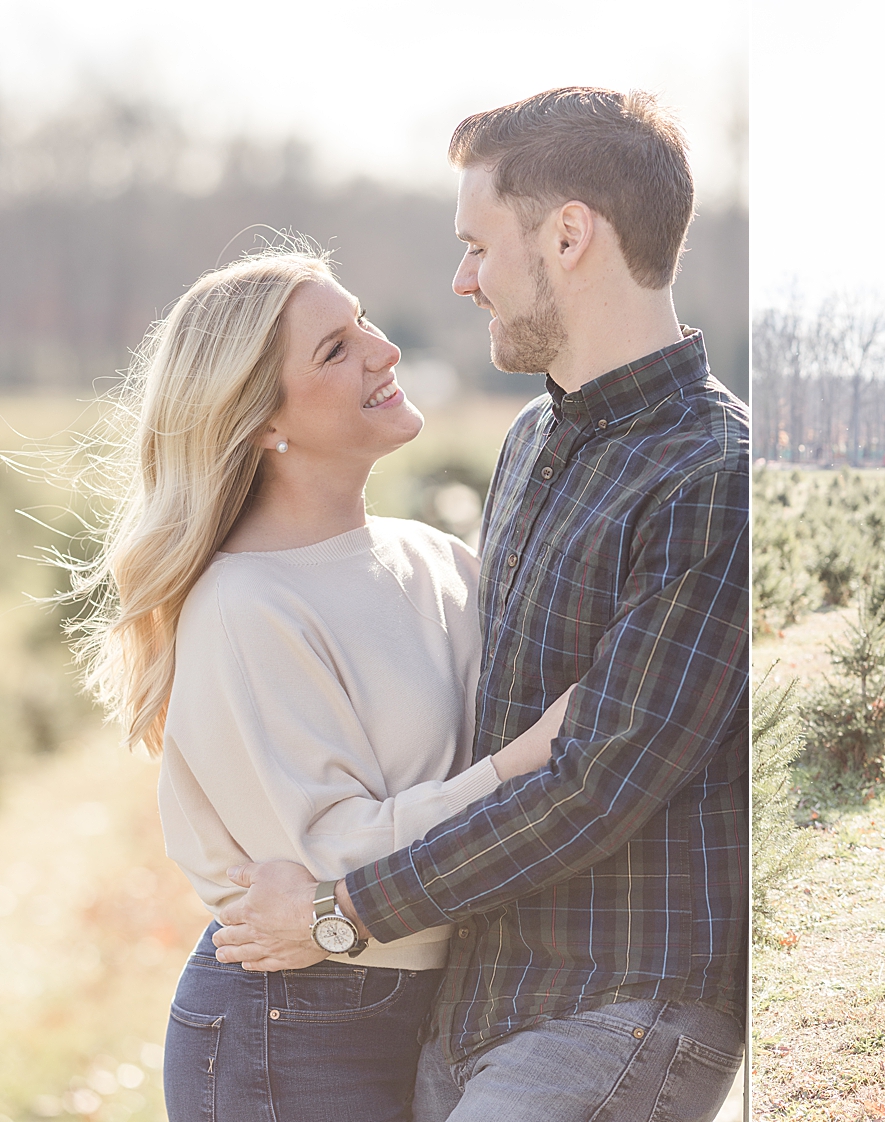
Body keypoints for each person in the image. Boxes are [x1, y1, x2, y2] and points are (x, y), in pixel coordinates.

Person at [210, 87, 750, 1122]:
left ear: (568, 234)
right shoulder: (535, 442)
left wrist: (338, 915)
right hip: (478, 1002)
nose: (462, 280)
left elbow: (596, 784)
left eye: (477, 246)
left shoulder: (711, 477)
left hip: (619, 1006)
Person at [69, 248, 572, 1120]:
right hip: (292, 1031)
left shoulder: (434, 556)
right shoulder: (244, 605)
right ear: (263, 421)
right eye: (335, 350)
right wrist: (518, 767)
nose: (384, 351)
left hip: (435, 1005)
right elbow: (327, 863)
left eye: (364, 322)